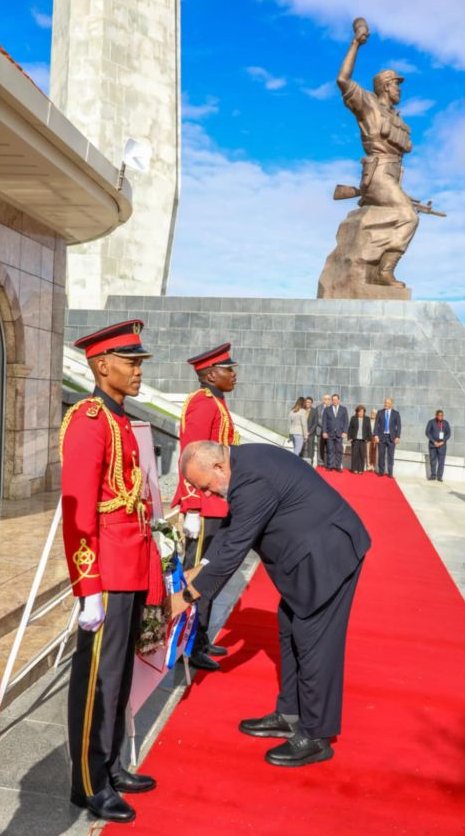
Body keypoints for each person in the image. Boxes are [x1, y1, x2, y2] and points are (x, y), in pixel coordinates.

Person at [167, 441, 370, 767]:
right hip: (309, 557)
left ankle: (316, 735)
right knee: (290, 627)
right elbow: (231, 530)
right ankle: (289, 713)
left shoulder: (251, 478)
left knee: (314, 641)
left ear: (218, 468)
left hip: (328, 556)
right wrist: (198, 569)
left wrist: (186, 596)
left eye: (205, 486)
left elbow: (234, 549)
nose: (206, 494)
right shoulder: (241, 465)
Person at [61, 320, 163, 824]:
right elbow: (79, 513)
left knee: (118, 677)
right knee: (97, 681)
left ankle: (111, 762)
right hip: (106, 571)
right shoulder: (89, 419)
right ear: (103, 366)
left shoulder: (119, 418)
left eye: (140, 362)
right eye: (131, 362)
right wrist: (88, 589)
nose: (139, 371)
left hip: (132, 566)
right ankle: (88, 780)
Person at [171, 343, 239, 671]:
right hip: (205, 505)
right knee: (197, 575)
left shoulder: (217, 402)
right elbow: (191, 455)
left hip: (219, 504)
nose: (234, 374)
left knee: (211, 574)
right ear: (211, 374)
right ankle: (187, 643)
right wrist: (193, 505)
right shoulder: (203, 404)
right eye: (228, 369)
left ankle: (200, 638)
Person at [336, 18, 419, 287]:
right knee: (408, 217)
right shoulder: (368, 105)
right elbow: (342, 79)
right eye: (396, 84)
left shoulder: (397, 117)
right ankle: (384, 271)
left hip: (392, 175)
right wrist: (356, 42)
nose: (399, 90)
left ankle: (377, 262)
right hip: (378, 172)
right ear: (385, 86)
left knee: (406, 211)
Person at [374, 398, 401, 477]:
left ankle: (390, 473)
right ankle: (381, 472)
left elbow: (398, 426)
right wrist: (375, 435)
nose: (386, 404)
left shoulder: (396, 413)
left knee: (390, 456)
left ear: (391, 404)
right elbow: (376, 425)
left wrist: (398, 437)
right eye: (385, 402)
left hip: (391, 437)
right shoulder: (380, 412)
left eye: (388, 403)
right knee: (381, 455)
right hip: (381, 437)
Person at [322, 393, 349, 471]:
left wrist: (345, 432)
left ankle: (338, 466)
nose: (334, 401)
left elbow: (346, 421)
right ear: (331, 400)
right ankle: (330, 466)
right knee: (330, 450)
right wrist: (324, 432)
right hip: (329, 433)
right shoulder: (327, 409)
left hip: (339, 434)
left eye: (336, 399)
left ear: (339, 400)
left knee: (339, 450)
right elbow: (324, 421)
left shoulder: (344, 409)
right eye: (333, 400)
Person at [425, 410, 451, 482]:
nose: (440, 417)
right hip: (433, 445)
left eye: (442, 415)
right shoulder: (431, 422)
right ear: (436, 415)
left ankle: (439, 476)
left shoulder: (445, 423)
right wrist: (434, 441)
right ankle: (433, 475)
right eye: (439, 415)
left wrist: (443, 441)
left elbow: (448, 434)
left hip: (442, 446)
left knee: (441, 461)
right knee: (433, 461)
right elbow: (427, 432)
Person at [347, 405, 372, 473]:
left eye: (362, 412)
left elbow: (369, 429)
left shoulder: (367, 419)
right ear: (357, 412)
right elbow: (350, 429)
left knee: (361, 455)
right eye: (359, 412)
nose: (361, 413)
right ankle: (354, 469)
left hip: (363, 440)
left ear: (364, 412)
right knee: (355, 454)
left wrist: (369, 438)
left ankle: (360, 469)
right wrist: (349, 437)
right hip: (355, 439)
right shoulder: (353, 418)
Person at [302, 396, 318, 464]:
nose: (308, 403)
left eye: (309, 402)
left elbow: (315, 423)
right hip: (302, 433)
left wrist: (309, 432)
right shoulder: (301, 410)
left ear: (311, 403)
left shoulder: (314, 411)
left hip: (311, 433)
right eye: (307, 402)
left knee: (310, 448)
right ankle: (300, 461)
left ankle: (310, 462)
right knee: (301, 447)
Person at [316, 394, 331, 466]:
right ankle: (320, 462)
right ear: (323, 400)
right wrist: (323, 426)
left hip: (329, 432)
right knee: (320, 448)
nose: (327, 400)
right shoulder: (318, 408)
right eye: (325, 399)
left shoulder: (332, 408)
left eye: (328, 399)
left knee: (329, 448)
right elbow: (317, 419)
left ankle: (329, 462)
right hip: (320, 431)